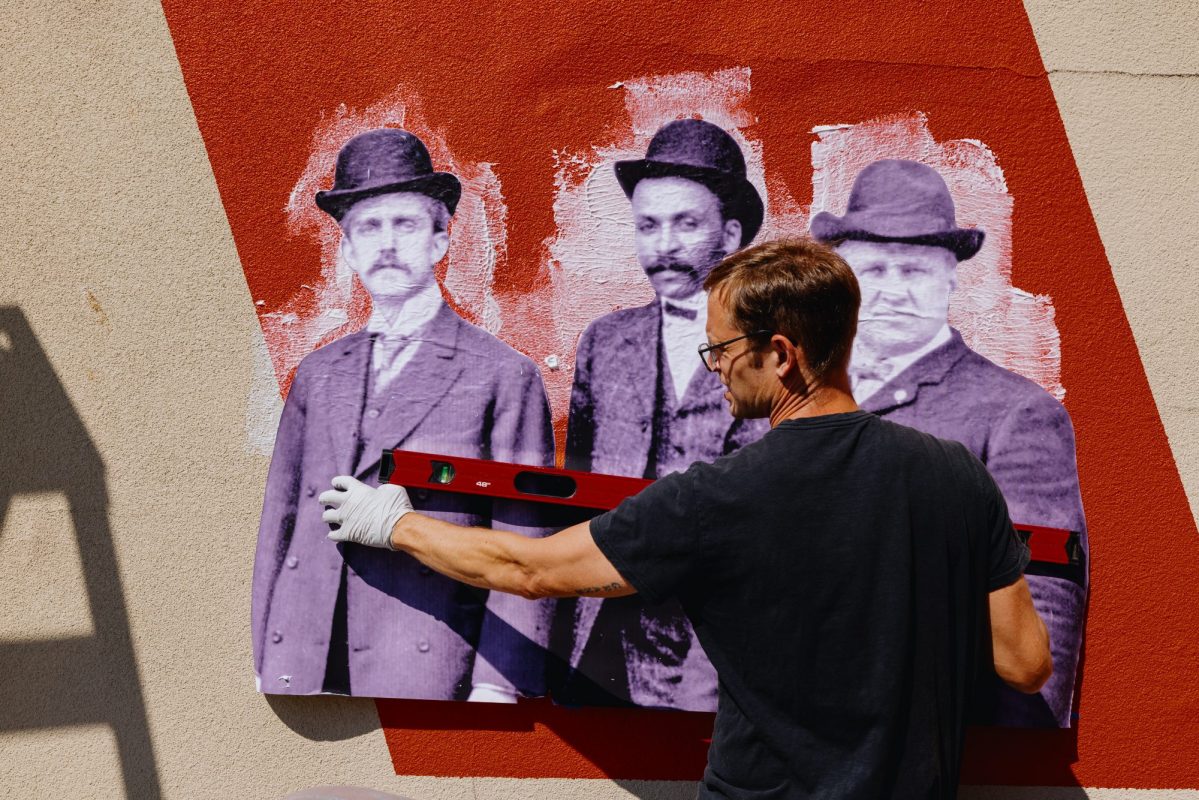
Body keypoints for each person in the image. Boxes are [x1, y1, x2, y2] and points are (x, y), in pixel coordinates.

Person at [319, 238, 1051, 798]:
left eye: (723, 348)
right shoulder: (957, 477)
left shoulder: (718, 499)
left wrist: (394, 525)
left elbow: (529, 570)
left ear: (781, 354)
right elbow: (1024, 664)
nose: (713, 366)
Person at [251, 128, 555, 701]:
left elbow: (525, 538)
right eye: (368, 227)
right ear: (346, 249)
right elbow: (279, 520)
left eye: (406, 225)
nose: (386, 245)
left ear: (441, 240)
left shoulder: (502, 374)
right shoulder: (317, 374)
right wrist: (264, 653)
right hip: (306, 655)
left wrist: (498, 685)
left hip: (425, 656)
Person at [810, 159, 1087, 727]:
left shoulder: (1018, 413)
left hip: (917, 729)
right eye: (873, 270)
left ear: (951, 280)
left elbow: (1045, 604)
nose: (890, 291)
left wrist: (998, 746)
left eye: (913, 271)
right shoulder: (798, 394)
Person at [558, 118, 769, 710]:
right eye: (648, 226)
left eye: (686, 224)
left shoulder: (777, 351)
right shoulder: (605, 341)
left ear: (729, 235)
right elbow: (573, 495)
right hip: (598, 643)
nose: (665, 246)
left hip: (714, 654)